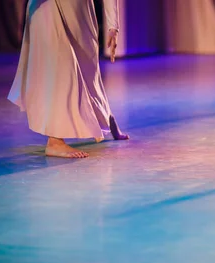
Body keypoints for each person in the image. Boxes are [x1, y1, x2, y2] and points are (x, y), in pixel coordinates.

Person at [8, 0, 129, 159]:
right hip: (48, 8)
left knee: (88, 70)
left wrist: (113, 25)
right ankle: (55, 141)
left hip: (80, 12)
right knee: (61, 67)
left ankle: (105, 117)